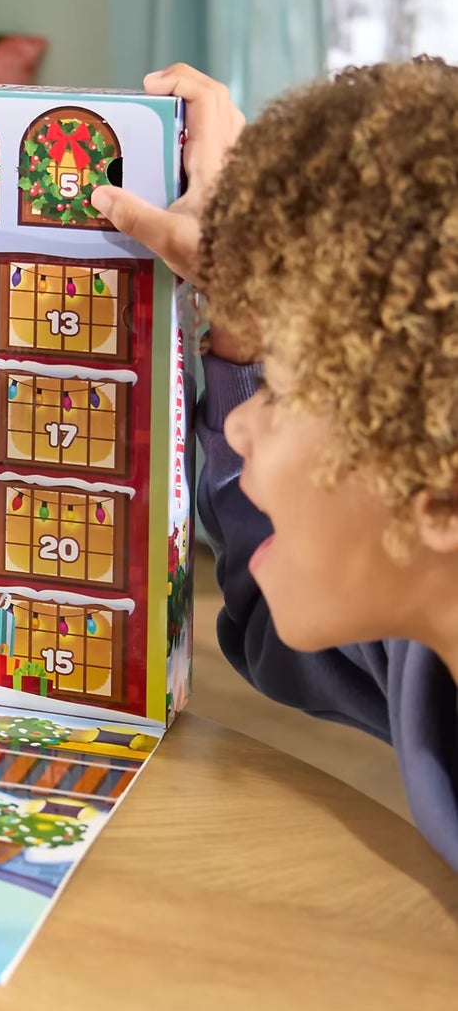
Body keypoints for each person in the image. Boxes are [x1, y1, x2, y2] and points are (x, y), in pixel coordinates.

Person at [91, 58, 458, 872]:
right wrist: (234, 313)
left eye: (282, 389)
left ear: (438, 485)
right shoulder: (412, 635)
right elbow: (272, 619)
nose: (240, 421)